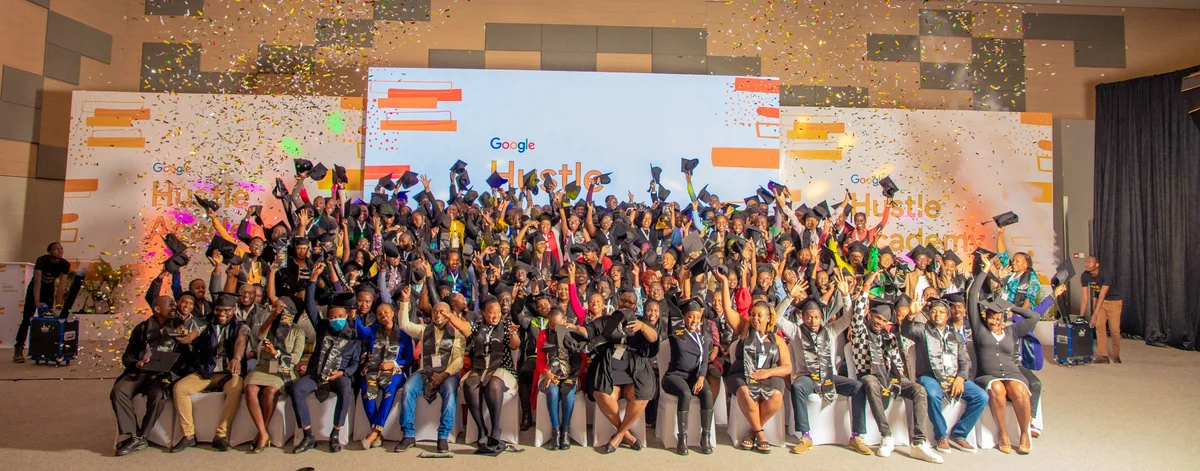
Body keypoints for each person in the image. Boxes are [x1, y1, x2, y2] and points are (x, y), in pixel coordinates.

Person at [850, 272, 943, 463]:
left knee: (918, 389)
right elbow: (858, 311)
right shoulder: (860, 332)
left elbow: (897, 360)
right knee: (871, 383)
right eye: (878, 319)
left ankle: (919, 442)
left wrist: (900, 376)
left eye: (885, 321)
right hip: (869, 375)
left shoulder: (890, 337)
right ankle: (886, 436)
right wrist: (866, 287)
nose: (881, 324)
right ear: (871, 315)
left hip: (890, 377)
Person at [774, 273, 872, 455]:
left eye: (817, 317)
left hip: (829, 377)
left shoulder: (830, 330)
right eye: (809, 317)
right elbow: (777, 319)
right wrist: (790, 297)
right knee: (797, 387)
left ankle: (856, 436)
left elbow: (848, 318)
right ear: (803, 317)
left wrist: (845, 296)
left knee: (858, 387)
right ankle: (805, 435)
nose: (813, 321)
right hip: (808, 377)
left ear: (821, 317)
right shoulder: (796, 331)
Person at [967, 260, 1040, 455]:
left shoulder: (1012, 331)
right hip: (988, 376)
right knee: (998, 388)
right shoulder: (979, 330)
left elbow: (1033, 317)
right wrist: (985, 271)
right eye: (990, 317)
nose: (993, 321)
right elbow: (973, 295)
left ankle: (1024, 433)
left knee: (1018, 388)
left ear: (1003, 319)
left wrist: (1010, 307)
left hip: (1012, 372)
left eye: (997, 318)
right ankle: (1004, 433)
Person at [899, 297, 989, 454]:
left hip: (953, 377)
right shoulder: (922, 330)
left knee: (981, 396)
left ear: (948, 315)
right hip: (929, 376)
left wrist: (960, 378)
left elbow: (965, 362)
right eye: (933, 311)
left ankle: (959, 434)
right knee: (932, 395)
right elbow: (906, 331)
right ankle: (941, 435)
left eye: (941, 312)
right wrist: (911, 316)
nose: (937, 315)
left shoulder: (956, 335)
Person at [291, 263, 360, 454]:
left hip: (338, 375)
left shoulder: (353, 335)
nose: (335, 319)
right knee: (296, 389)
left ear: (346, 316)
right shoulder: (322, 327)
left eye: (339, 316)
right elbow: (309, 306)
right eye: (332, 316)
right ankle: (308, 435)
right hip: (316, 374)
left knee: (346, 388)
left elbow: (355, 363)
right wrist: (313, 279)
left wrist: (343, 372)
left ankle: (335, 434)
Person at [170, 293, 249, 453]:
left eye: (226, 310)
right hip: (207, 372)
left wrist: (237, 358)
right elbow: (193, 334)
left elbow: (241, 341)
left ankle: (220, 435)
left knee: (236, 387)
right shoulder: (206, 323)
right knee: (180, 388)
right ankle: (188, 435)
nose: (221, 314)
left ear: (234, 310)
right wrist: (184, 338)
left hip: (228, 374)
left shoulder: (241, 326)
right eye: (218, 310)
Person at [587, 289, 659, 454]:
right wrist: (577, 328)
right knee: (602, 393)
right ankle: (627, 435)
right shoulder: (607, 320)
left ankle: (619, 435)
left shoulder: (640, 321)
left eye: (630, 302)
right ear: (618, 302)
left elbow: (654, 337)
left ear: (634, 306)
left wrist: (642, 327)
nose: (626, 304)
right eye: (623, 301)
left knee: (643, 393)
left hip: (635, 372)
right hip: (610, 371)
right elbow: (590, 329)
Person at [395, 294, 468, 453]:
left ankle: (443, 436)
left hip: (448, 374)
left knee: (450, 391)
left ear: (449, 314)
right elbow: (404, 324)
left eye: (443, 312)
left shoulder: (457, 334)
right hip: (424, 372)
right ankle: (408, 435)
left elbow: (458, 361)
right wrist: (405, 301)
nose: (438, 314)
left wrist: (444, 374)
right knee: (408, 389)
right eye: (435, 311)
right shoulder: (424, 330)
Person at [720, 291, 792, 454]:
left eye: (759, 315)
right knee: (746, 391)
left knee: (777, 396)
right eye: (753, 314)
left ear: (768, 318)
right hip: (739, 377)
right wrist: (724, 282)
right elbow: (726, 308)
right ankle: (760, 434)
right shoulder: (745, 328)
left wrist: (768, 372)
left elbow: (787, 367)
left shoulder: (777, 340)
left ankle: (752, 432)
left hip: (763, 380)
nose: (755, 319)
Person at [111, 295, 179, 456]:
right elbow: (126, 356)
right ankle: (131, 434)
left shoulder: (178, 329)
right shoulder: (142, 328)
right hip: (139, 372)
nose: (174, 307)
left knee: (158, 397)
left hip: (161, 375)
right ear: (157, 309)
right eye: (170, 305)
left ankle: (141, 436)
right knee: (119, 391)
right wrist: (137, 363)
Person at [242, 295, 306, 452]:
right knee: (251, 388)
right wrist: (272, 315)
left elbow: (295, 359)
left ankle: (261, 435)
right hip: (263, 367)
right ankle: (263, 433)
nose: (277, 310)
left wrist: (276, 353)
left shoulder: (298, 331)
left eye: (280, 308)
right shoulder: (270, 326)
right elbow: (259, 335)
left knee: (270, 391)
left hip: (283, 370)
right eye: (275, 307)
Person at [461, 296, 520, 454]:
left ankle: (495, 429)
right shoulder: (477, 326)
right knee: (469, 385)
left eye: (498, 312)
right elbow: (464, 329)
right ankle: (481, 428)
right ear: (484, 314)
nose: (496, 316)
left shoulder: (506, 324)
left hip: (503, 367)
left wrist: (513, 334)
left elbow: (515, 346)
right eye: (492, 313)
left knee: (493, 383)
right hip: (480, 368)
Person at [355, 300, 415, 450]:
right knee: (366, 388)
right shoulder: (374, 330)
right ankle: (377, 433)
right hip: (374, 368)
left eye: (386, 312)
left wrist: (393, 363)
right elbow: (362, 332)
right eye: (379, 313)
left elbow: (409, 359)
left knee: (389, 389)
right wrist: (354, 316)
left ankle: (374, 432)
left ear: (393, 314)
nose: (383, 315)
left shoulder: (403, 334)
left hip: (395, 371)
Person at [661, 298, 718, 455]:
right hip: (674, 376)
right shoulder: (678, 333)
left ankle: (705, 437)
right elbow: (672, 320)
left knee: (707, 392)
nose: (694, 320)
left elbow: (705, 360)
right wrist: (673, 298)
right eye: (690, 316)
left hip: (695, 377)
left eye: (697, 317)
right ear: (684, 317)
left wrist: (701, 377)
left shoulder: (704, 337)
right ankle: (682, 439)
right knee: (685, 393)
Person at [535, 307, 588, 450]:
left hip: (570, 374)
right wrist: (546, 372)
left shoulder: (573, 334)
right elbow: (540, 360)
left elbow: (581, 359)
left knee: (568, 392)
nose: (554, 328)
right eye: (551, 325)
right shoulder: (543, 335)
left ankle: (566, 430)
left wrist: (576, 376)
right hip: (550, 373)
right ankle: (556, 430)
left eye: (557, 324)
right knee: (552, 391)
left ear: (565, 320)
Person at [14, 242, 71, 363]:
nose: (60, 251)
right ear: (49, 252)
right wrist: (36, 301)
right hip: (35, 291)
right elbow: (37, 282)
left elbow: (62, 285)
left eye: (61, 249)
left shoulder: (65, 264)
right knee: (27, 319)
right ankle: (18, 348)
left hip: (48, 291)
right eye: (56, 249)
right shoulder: (42, 260)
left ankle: (47, 350)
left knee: (49, 321)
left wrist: (58, 304)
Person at [1080, 255, 1122, 363]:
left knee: (1114, 330)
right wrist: (1081, 316)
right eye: (1086, 262)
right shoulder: (1085, 276)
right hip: (1100, 303)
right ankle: (1104, 356)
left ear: (1097, 265)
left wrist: (1094, 315)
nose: (1087, 264)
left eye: (1090, 262)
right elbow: (1085, 297)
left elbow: (1102, 295)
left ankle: (1116, 354)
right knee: (1099, 326)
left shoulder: (1106, 274)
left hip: (1114, 301)